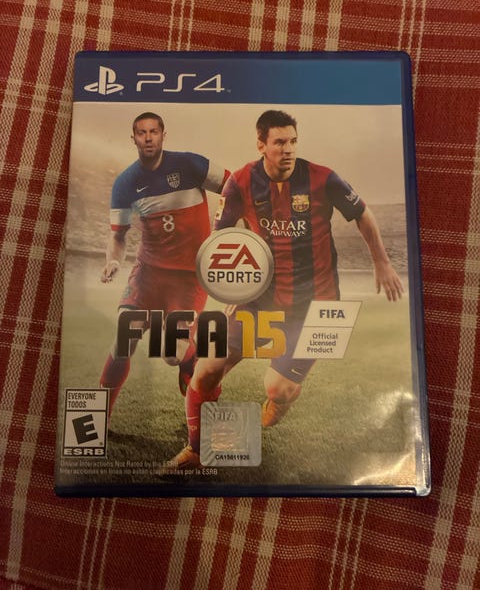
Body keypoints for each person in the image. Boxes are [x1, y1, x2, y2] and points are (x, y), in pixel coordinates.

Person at [167, 109, 405, 470]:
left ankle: (280, 401)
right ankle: (196, 452)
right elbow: (221, 241)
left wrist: (382, 263)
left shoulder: (324, 178)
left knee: (278, 388)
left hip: (320, 307)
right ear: (261, 144)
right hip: (261, 300)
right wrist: (234, 290)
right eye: (279, 142)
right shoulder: (241, 183)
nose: (288, 149)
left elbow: (362, 214)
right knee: (206, 370)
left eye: (293, 141)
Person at [99, 111, 230, 418]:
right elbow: (118, 236)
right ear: (133, 139)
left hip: (189, 278)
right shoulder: (125, 183)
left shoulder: (191, 165)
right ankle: (98, 415)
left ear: (162, 135)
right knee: (123, 339)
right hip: (148, 274)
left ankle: (190, 361)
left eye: (153, 132)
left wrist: (229, 224)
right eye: (141, 133)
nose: (148, 138)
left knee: (172, 354)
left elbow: (235, 187)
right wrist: (113, 261)